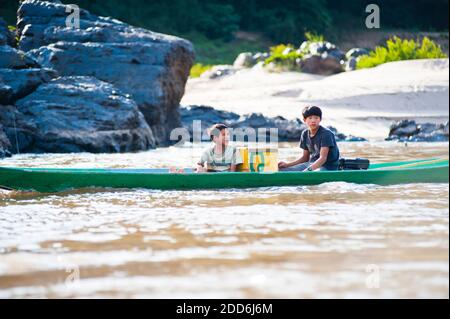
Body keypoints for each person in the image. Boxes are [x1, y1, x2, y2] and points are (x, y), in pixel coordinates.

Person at [278, 106, 340, 172]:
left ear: (320, 119)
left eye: (316, 118)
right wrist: (287, 165)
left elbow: (323, 158)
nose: (313, 121)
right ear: (304, 120)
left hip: (328, 167)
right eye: (310, 118)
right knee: (282, 170)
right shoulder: (305, 134)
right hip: (311, 164)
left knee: (309, 173)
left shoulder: (326, 133)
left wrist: (308, 170)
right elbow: (305, 158)